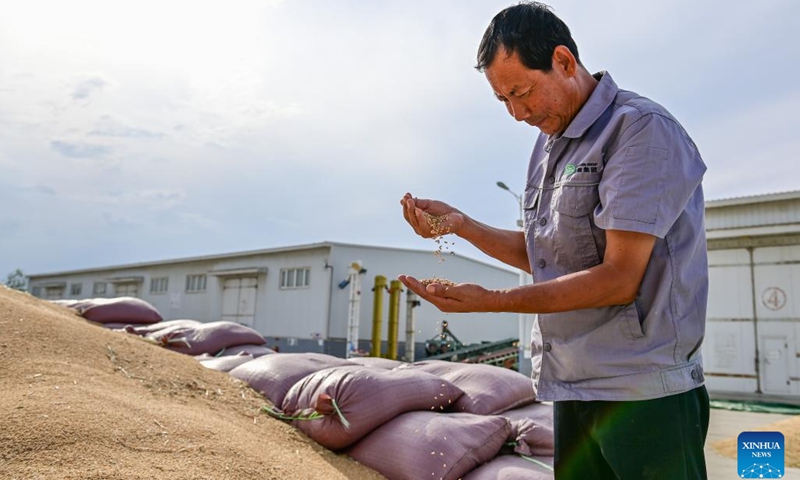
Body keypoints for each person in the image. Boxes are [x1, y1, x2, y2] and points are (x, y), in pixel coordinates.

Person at [398, 3, 709, 479]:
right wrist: (462, 225)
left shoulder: (639, 130)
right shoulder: (550, 147)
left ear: (563, 61)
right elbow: (548, 254)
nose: (518, 114)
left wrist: (491, 302)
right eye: (503, 101)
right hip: (574, 386)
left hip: (643, 393)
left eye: (522, 92)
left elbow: (619, 279)